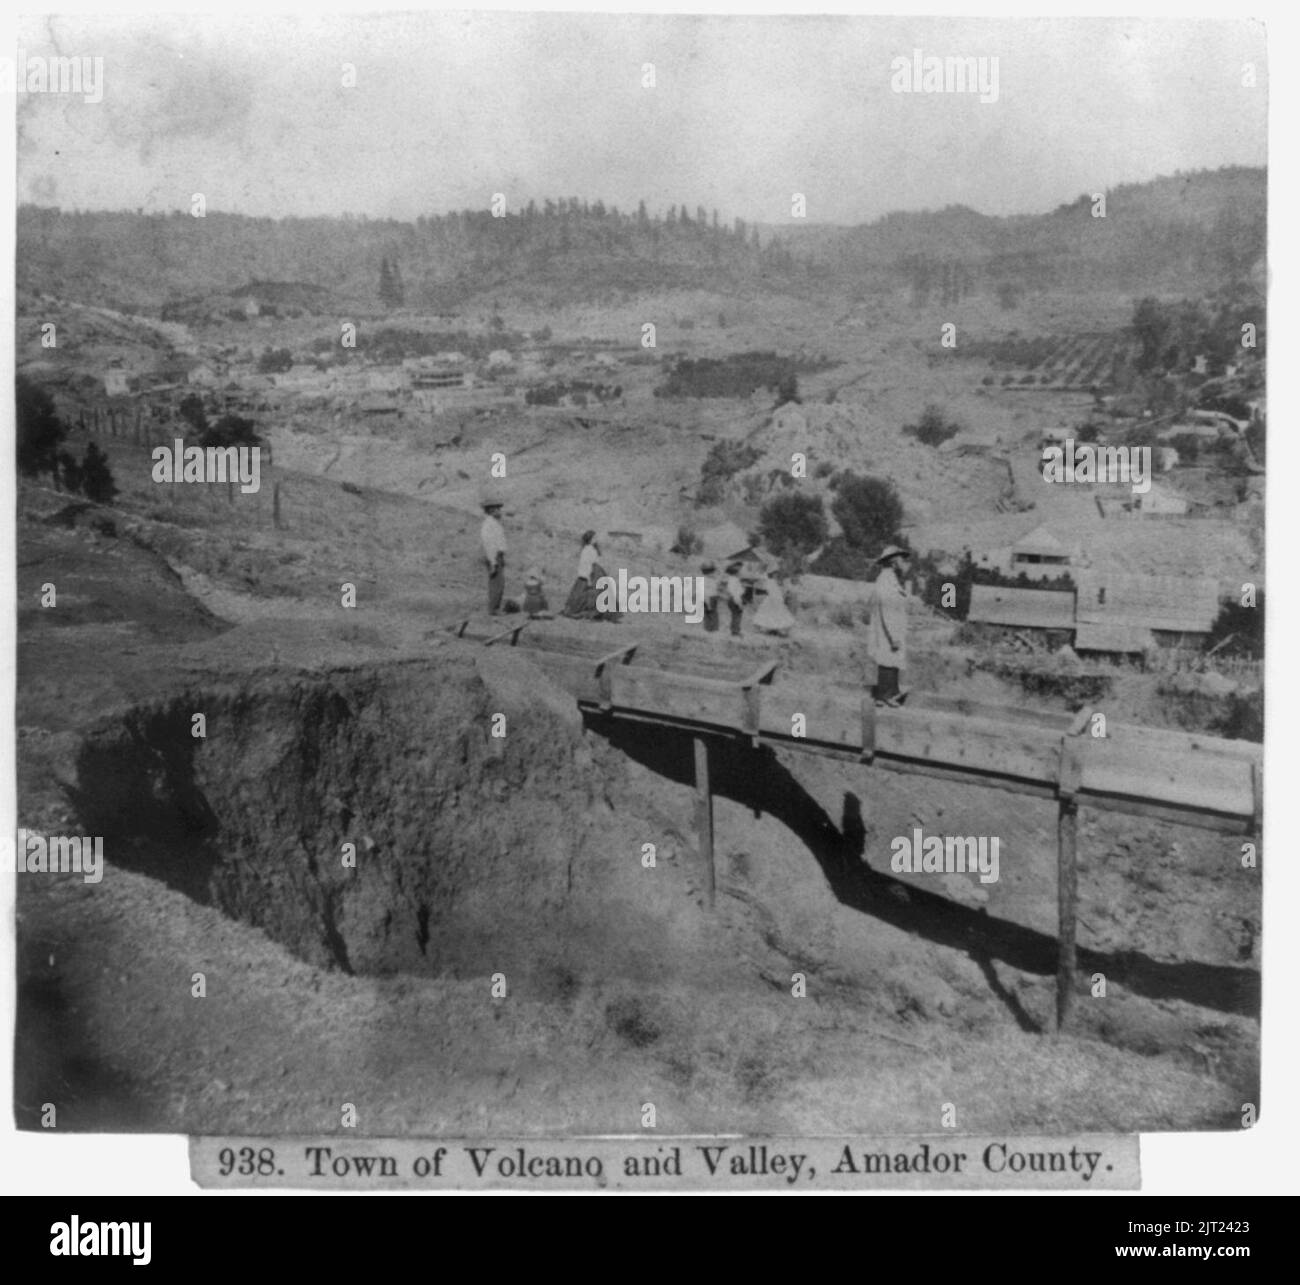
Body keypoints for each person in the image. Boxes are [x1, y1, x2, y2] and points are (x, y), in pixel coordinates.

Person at [867, 544, 911, 706]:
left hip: (892, 630)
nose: (905, 563)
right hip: (888, 631)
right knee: (887, 659)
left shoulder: (890, 580)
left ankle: (890, 693)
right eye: (902, 560)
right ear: (893, 562)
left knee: (892, 660)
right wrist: (893, 637)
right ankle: (884, 696)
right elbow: (887, 613)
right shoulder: (886, 581)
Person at [563, 530, 619, 621]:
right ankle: (591, 612)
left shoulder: (593, 549)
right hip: (590, 574)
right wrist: (588, 578)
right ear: (590, 539)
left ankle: (600, 612)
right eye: (594, 538)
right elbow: (585, 564)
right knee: (589, 594)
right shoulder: (587, 550)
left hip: (597, 573)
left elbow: (596, 562)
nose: (596, 539)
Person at [480, 492, 507, 614]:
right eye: (497, 509)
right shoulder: (488, 524)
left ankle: (495, 607)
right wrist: (493, 561)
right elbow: (488, 544)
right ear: (491, 510)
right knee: (496, 583)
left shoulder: (494, 523)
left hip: (498, 556)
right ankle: (494, 609)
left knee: (499, 583)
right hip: (494, 556)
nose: (499, 511)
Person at [752, 572, 795, 637]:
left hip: (778, 599)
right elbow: (766, 587)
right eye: (775, 575)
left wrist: (784, 592)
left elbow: (781, 592)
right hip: (771, 599)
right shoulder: (770, 582)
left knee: (779, 614)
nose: (776, 576)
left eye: (777, 575)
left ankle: (778, 629)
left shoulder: (780, 583)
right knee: (768, 613)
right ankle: (768, 628)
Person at [722, 561, 746, 636]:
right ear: (736, 572)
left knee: (735, 615)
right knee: (737, 615)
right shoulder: (734, 580)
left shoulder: (732, 579)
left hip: (732, 599)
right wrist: (739, 602)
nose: (741, 573)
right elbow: (735, 593)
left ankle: (734, 630)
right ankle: (735, 631)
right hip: (735, 599)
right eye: (740, 571)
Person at [699, 561, 720, 632]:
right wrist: (707, 602)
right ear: (710, 572)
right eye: (714, 572)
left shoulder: (711, 579)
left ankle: (710, 629)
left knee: (711, 613)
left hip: (712, 598)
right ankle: (711, 629)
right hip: (708, 598)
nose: (715, 573)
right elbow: (704, 592)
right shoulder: (706, 580)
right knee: (711, 613)